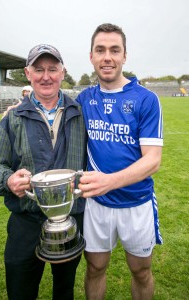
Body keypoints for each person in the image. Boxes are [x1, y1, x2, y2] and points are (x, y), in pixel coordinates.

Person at [0, 44, 87, 300]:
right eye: (39, 69)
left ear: (63, 72)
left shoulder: (81, 114)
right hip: (26, 222)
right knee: (21, 291)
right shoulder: (13, 117)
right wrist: (8, 179)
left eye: (52, 69)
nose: (46, 76)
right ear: (28, 73)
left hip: (70, 220)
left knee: (65, 291)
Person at [77, 23, 163, 299]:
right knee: (95, 267)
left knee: (141, 271)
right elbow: (50, 108)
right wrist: (20, 106)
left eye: (115, 50)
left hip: (135, 203)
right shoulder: (83, 98)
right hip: (97, 204)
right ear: (91, 56)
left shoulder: (146, 99)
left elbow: (153, 160)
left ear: (125, 56)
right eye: (100, 50)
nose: (107, 57)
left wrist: (109, 182)